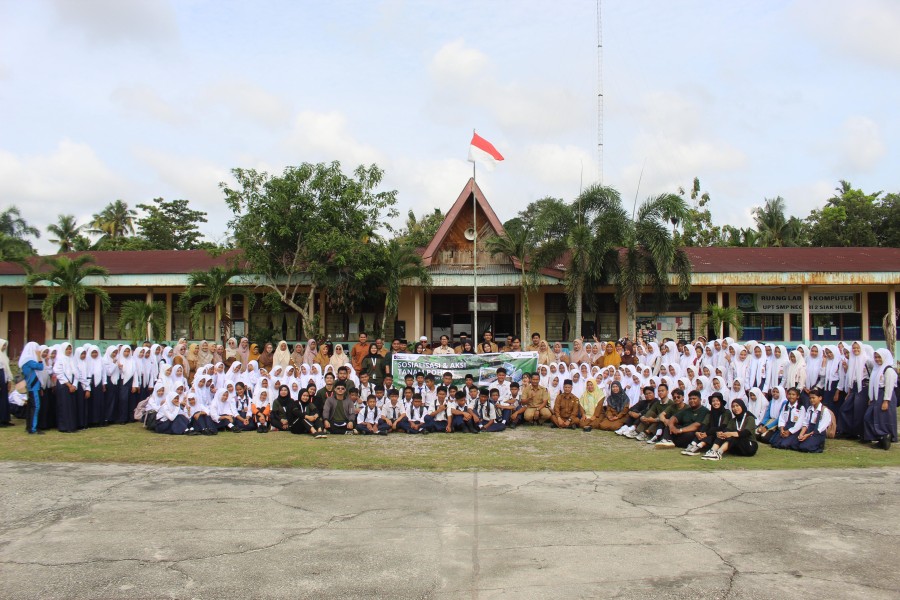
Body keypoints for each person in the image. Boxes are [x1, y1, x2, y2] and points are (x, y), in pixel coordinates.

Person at [862, 349, 897, 450]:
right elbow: (873, 384)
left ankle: (885, 438)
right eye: (876, 357)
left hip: (885, 395)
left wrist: (886, 400)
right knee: (868, 417)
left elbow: (889, 387)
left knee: (882, 419)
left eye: (879, 357)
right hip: (876, 396)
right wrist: (871, 397)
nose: (877, 359)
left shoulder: (888, 370)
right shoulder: (877, 368)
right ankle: (880, 437)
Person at [789, 388, 832, 453]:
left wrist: (807, 435)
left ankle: (819, 446)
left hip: (817, 434)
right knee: (794, 444)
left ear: (820, 398)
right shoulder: (809, 409)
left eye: (813, 398)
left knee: (804, 447)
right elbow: (805, 423)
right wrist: (801, 434)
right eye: (810, 398)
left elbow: (821, 428)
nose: (811, 400)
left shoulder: (824, 411)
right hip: (808, 431)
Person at [18, 342, 44, 434]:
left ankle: (29, 426)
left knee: (31, 407)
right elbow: (40, 367)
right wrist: (39, 357)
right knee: (36, 406)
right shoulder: (29, 360)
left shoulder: (25, 360)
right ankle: (33, 428)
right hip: (33, 386)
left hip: (31, 386)